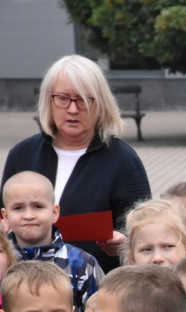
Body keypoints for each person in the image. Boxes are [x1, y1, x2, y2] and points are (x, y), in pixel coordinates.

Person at [2, 55, 151, 273]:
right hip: (22, 286)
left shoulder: (123, 161)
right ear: (48, 101)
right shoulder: (22, 155)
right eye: (62, 98)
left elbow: (146, 231)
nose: (72, 109)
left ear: (100, 104)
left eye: (83, 100)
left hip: (95, 289)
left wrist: (125, 244)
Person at [2, 171, 102, 312]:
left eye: (38, 206)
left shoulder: (82, 263)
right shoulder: (2, 262)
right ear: (5, 216)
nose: (28, 215)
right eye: (18, 208)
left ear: (55, 212)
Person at [119, 199, 186, 268]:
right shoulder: (129, 285)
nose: (157, 258)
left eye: (168, 246)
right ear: (132, 258)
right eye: (146, 250)